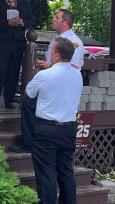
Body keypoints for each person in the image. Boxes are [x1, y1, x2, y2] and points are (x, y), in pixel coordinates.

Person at [11, 8, 84, 152]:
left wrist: (49, 65)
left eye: (57, 17)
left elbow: (72, 66)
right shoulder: (57, 37)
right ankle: (30, 141)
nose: (53, 19)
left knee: (29, 102)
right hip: (51, 80)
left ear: (65, 22)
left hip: (61, 86)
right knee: (29, 102)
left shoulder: (74, 42)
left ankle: (29, 143)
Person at [29, 37, 83, 204]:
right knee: (66, 170)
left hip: (47, 129)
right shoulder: (78, 76)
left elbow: (29, 93)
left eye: (51, 52)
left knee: (46, 173)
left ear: (57, 55)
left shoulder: (44, 74)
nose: (49, 55)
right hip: (69, 129)